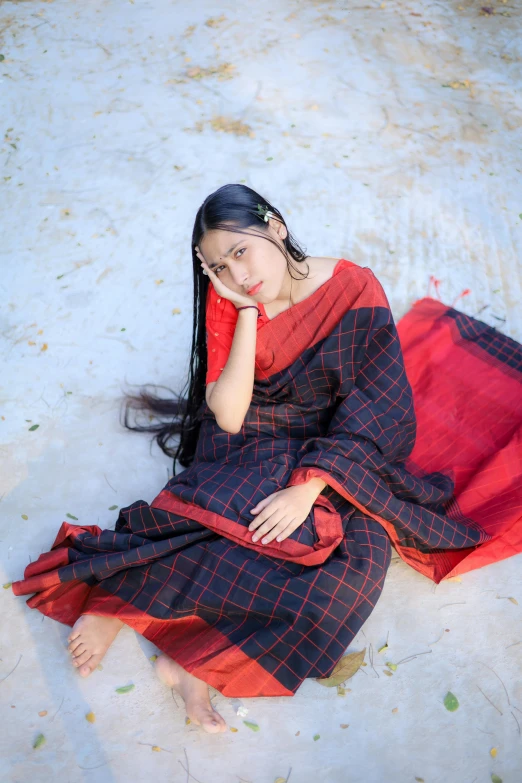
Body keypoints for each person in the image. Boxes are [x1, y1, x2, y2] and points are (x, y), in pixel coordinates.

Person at [12, 183, 522, 734]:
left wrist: (310, 484)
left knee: (351, 569)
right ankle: (118, 599)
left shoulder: (352, 286)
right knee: (240, 516)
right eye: (217, 265)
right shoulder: (230, 299)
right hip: (254, 433)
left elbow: (378, 404)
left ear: (275, 227)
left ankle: (192, 662)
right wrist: (248, 314)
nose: (235, 272)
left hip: (333, 443)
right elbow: (229, 415)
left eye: (240, 251)